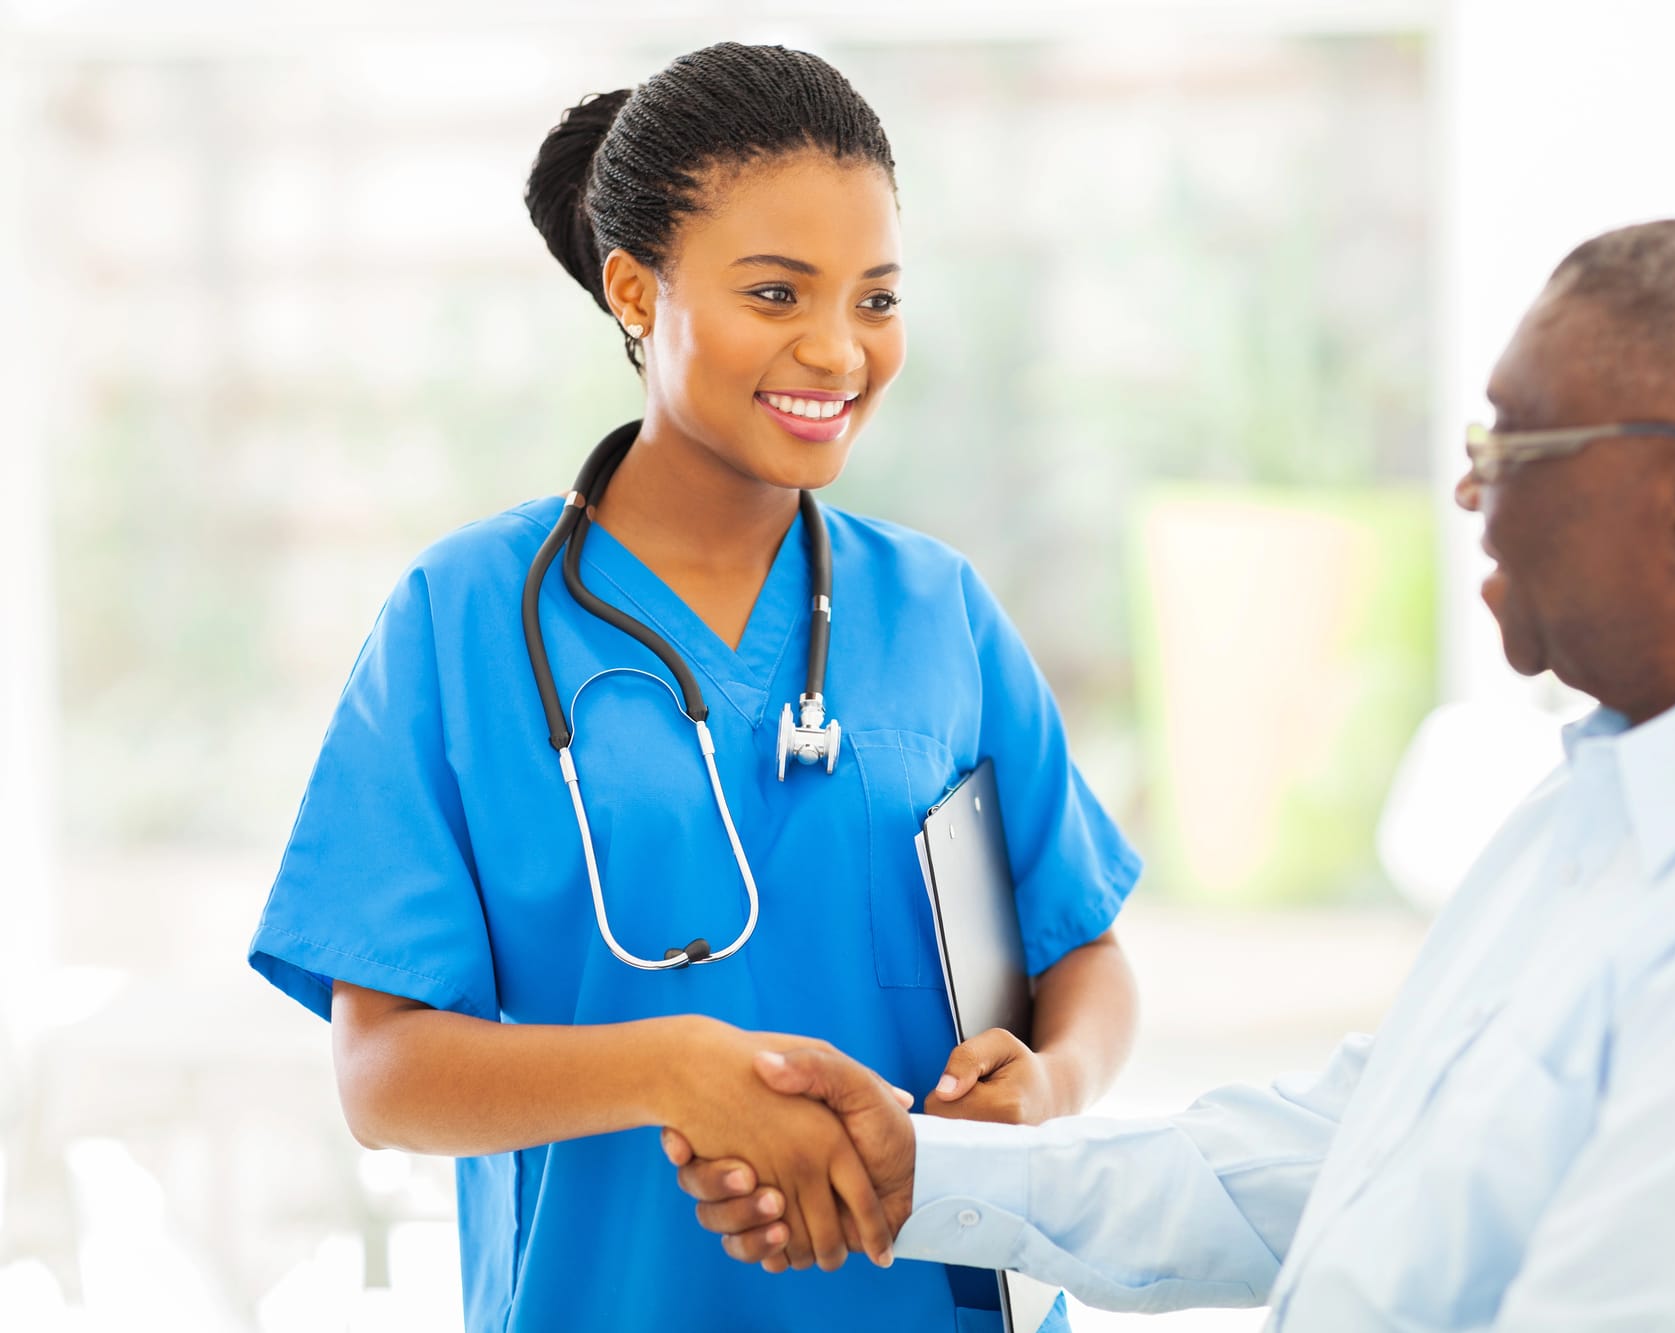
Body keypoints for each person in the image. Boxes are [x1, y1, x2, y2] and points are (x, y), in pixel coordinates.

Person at [669, 217, 1675, 1330]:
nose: (1474, 499)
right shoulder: (1608, 799)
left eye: (1511, 452)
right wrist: (922, 1171)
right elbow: (1338, 1152)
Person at [245, 43, 1142, 1333]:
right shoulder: (463, 619)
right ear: (633, 289)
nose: (838, 351)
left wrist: (1048, 1088)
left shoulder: (938, 608)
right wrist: (675, 1068)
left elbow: (1088, 955)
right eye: (777, 293)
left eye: (876, 300)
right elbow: (384, 1075)